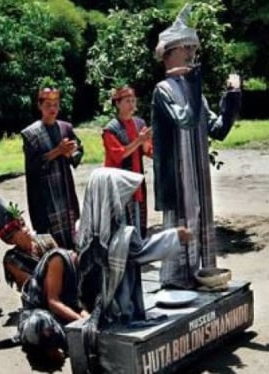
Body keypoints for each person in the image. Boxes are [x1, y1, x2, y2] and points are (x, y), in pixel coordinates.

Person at [152, 4, 241, 289]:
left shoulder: (195, 94)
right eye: (185, 48)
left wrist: (232, 96)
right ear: (170, 54)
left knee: (199, 223)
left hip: (198, 178)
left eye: (193, 48)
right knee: (181, 230)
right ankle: (177, 284)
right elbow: (186, 120)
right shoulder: (163, 91)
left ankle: (199, 279)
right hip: (178, 180)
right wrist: (194, 82)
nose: (191, 54)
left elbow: (218, 129)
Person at [76, 168, 191, 326]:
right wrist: (176, 236)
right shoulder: (121, 235)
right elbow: (142, 250)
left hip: (94, 305)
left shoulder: (83, 231)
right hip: (118, 307)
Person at [21, 87, 83, 249]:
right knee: (50, 246)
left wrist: (70, 154)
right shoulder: (31, 134)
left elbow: (78, 152)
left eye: (56, 104)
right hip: (44, 197)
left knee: (72, 240)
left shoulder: (65, 128)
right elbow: (32, 167)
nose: (52, 109)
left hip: (65, 191)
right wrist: (57, 152)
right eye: (48, 105)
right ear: (40, 106)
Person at [17, 248, 86, 362]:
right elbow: (53, 302)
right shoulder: (59, 259)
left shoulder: (88, 270)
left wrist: (90, 320)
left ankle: (60, 343)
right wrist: (82, 322)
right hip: (42, 313)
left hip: (63, 318)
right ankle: (50, 345)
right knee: (40, 323)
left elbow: (79, 306)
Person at [102, 86, 153, 237]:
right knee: (121, 223)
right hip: (119, 183)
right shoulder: (110, 129)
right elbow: (119, 155)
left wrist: (145, 142)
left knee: (138, 218)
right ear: (117, 104)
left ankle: (137, 252)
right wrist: (139, 140)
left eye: (133, 100)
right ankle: (124, 256)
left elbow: (148, 151)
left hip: (137, 180)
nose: (131, 104)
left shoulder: (139, 124)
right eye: (127, 101)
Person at [0, 195, 57, 291]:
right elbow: (31, 286)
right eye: (18, 229)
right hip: (37, 298)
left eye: (23, 224)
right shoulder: (12, 259)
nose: (25, 229)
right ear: (11, 239)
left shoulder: (47, 239)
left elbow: (63, 263)